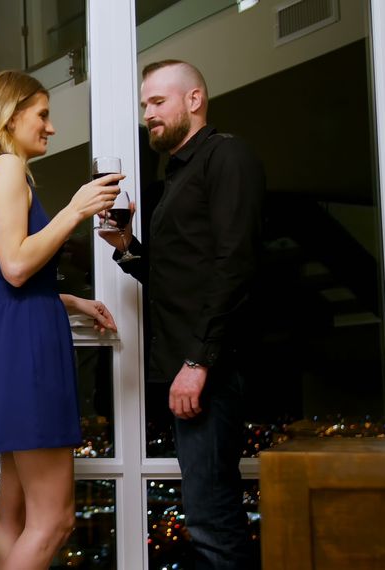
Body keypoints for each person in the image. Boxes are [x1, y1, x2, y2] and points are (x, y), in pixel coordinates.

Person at [98, 60, 264, 569]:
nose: (148, 113)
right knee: (206, 515)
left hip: (209, 369)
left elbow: (235, 265)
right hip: (191, 367)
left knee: (212, 521)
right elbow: (177, 277)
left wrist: (197, 362)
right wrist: (126, 246)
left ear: (194, 100)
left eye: (158, 102)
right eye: (145, 104)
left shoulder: (226, 155)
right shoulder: (178, 173)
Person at [0, 70, 120, 569]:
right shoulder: (8, 169)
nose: (51, 128)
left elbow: (7, 279)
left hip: (10, 341)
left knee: (16, 518)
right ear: (10, 115)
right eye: (43, 114)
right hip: (29, 349)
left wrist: (70, 300)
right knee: (54, 521)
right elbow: (17, 264)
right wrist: (74, 209)